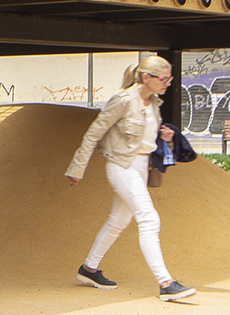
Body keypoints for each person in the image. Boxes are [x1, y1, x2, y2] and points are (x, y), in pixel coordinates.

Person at [66, 56, 196, 301]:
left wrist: (164, 138)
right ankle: (166, 283)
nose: (168, 83)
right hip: (122, 166)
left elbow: (143, 138)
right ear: (146, 77)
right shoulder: (124, 100)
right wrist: (78, 168)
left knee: (118, 221)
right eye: (164, 78)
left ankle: (89, 269)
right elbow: (94, 133)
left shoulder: (154, 102)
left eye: (170, 79)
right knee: (149, 218)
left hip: (141, 166)